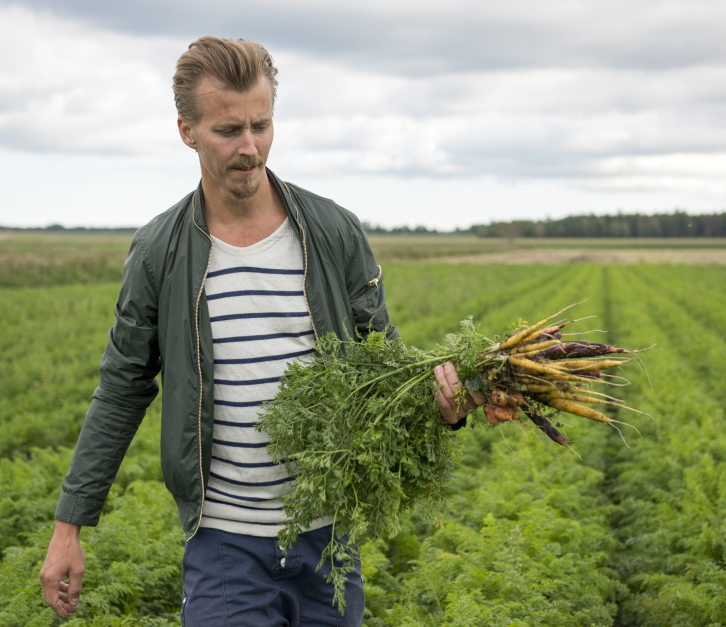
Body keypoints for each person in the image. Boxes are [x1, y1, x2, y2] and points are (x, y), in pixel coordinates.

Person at [39, 36, 484, 625]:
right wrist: (70, 524)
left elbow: (387, 367)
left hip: (329, 539)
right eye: (228, 131)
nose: (250, 148)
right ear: (187, 131)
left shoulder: (331, 231)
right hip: (225, 544)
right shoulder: (159, 252)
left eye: (262, 125)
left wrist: (446, 407)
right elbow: (122, 388)